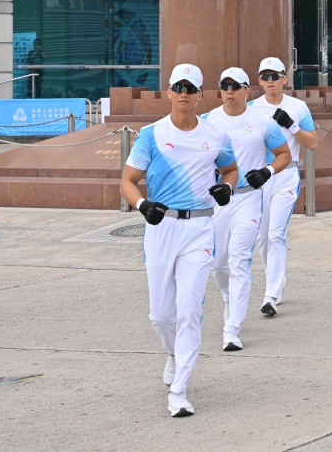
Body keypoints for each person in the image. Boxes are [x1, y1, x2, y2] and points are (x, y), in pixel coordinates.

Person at [119, 63, 238, 418]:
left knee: (189, 311)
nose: (184, 92)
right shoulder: (151, 135)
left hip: (200, 228)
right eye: (178, 86)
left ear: (200, 95)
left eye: (191, 87)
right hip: (161, 227)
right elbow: (127, 181)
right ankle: (173, 353)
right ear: (169, 92)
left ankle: (180, 391)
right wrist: (142, 205)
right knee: (160, 314)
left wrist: (226, 187)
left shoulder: (215, 135)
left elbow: (230, 169)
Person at [204, 67, 292, 352]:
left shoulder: (263, 121)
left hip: (249, 198)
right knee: (218, 263)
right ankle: (230, 299)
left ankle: (232, 329)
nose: (229, 90)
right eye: (224, 85)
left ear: (246, 90)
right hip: (218, 200)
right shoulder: (207, 121)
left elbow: (284, 155)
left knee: (240, 259)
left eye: (235, 85)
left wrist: (267, 172)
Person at [247, 56, 318, 316]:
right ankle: (276, 280)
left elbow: (312, 143)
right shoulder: (251, 108)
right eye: (265, 77)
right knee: (262, 237)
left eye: (274, 76)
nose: (270, 81)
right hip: (259, 177)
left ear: (284, 79)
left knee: (275, 234)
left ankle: (271, 294)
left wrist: (291, 125)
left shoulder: (298, 107)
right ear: (258, 81)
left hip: (286, 176)